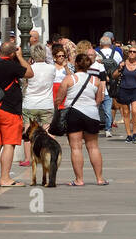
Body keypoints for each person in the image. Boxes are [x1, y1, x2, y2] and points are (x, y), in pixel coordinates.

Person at [56, 53, 108, 186]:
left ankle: (79, 179)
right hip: (91, 114)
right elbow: (99, 99)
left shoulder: (69, 79)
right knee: (93, 147)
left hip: (74, 113)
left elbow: (59, 98)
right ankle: (100, 178)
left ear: (76, 64)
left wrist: (57, 108)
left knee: (76, 148)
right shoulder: (96, 80)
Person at [0, 41, 32, 188]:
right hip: (9, 109)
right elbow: (30, 73)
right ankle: (5, 178)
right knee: (9, 144)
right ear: (12, 53)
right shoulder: (10, 65)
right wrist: (20, 57)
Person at [20, 43, 56, 169]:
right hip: (47, 103)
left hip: (30, 103)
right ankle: (50, 153)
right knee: (47, 130)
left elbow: (25, 82)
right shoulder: (52, 68)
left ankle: (27, 158)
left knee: (28, 130)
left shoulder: (29, 68)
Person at [96, 34, 122, 136]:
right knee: (109, 107)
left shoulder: (96, 53)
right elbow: (120, 66)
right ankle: (108, 129)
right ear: (111, 44)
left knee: (96, 106)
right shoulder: (116, 53)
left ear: (100, 44)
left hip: (98, 82)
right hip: (112, 83)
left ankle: (95, 126)